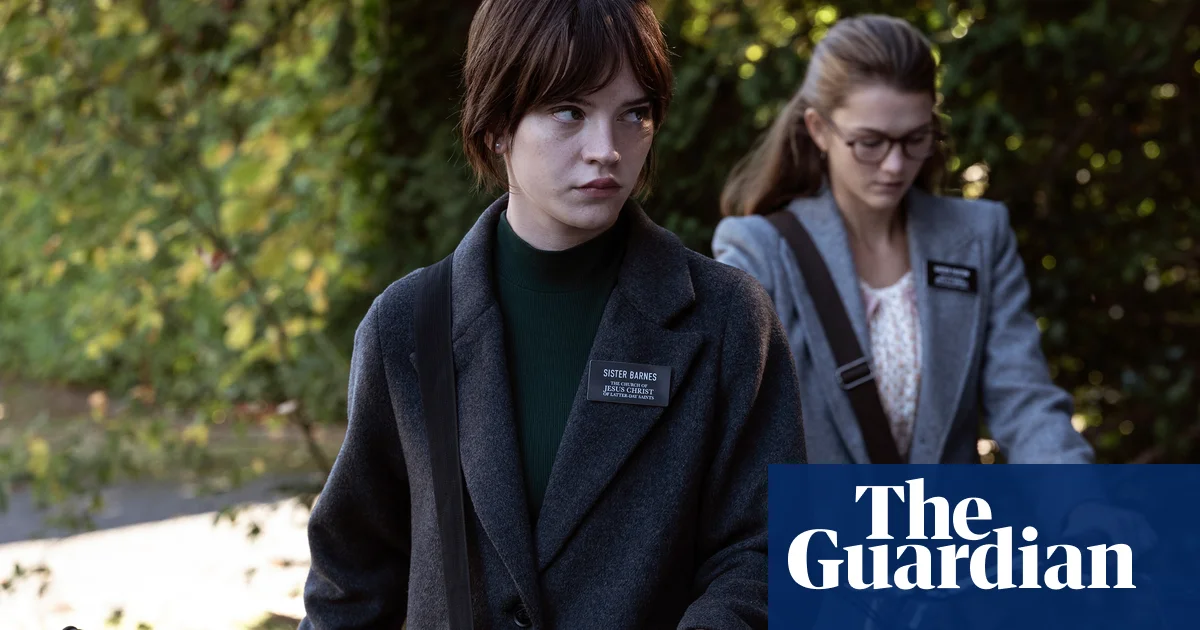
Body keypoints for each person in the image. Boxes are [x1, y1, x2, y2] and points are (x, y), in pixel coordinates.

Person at [299, 0, 806, 628]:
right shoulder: (406, 324)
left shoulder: (728, 319)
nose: (607, 149)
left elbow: (764, 554)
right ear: (496, 126)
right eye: (570, 111)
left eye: (634, 114)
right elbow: (352, 578)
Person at [712, 14, 1092, 466]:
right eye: (870, 142)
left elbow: (1024, 402)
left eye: (915, 139)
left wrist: (1077, 497)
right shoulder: (760, 250)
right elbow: (729, 432)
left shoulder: (978, 237)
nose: (894, 166)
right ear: (819, 129)